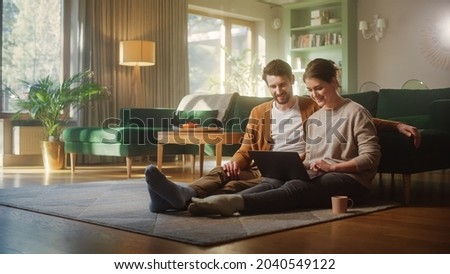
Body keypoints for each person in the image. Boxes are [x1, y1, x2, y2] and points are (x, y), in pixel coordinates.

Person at [145, 59, 420, 213]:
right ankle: (181, 194)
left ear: (291, 81)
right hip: (271, 166)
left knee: (250, 187)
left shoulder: (312, 106)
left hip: (302, 168)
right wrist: (237, 163)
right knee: (223, 172)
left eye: (283, 84)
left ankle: (198, 203)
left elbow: (358, 118)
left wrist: (395, 125)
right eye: (273, 86)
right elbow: (246, 147)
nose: (279, 91)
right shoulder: (262, 112)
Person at [187, 58, 381, 217]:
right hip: (321, 174)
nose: (315, 95)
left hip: (350, 179)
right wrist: (296, 167)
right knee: (274, 181)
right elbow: (312, 156)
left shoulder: (356, 111)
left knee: (295, 186)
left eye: (319, 88)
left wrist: (332, 167)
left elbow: (371, 157)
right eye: (310, 90)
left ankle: (236, 203)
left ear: (334, 81)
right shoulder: (315, 118)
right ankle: (215, 202)